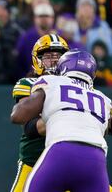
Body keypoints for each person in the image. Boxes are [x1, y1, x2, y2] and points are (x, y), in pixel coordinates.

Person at [11, 50, 112, 192]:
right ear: (93, 73)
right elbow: (111, 126)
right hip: (96, 159)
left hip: (61, 151)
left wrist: (54, 113)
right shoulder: (102, 98)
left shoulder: (51, 81)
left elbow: (18, 116)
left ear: (63, 67)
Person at [10, 33, 69, 192]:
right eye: (48, 56)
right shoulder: (29, 83)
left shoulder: (75, 87)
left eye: (58, 56)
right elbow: (29, 125)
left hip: (67, 161)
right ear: (37, 60)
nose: (54, 61)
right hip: (34, 159)